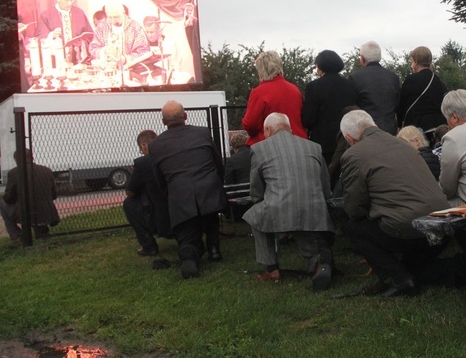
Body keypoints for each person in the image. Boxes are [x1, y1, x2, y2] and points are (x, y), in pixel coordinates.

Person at [339, 110, 450, 296]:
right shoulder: (403, 143)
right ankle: (463, 270)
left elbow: (354, 208)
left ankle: (399, 280)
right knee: (415, 268)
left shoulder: (354, 154)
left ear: (350, 139)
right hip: (442, 226)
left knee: (352, 228)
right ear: (373, 124)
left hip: (409, 228)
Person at [242, 113, 335, 290]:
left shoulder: (259, 149)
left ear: (268, 130)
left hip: (278, 207)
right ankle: (319, 261)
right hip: (314, 208)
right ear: (290, 128)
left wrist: (261, 201)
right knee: (307, 232)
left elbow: (256, 190)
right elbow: (325, 185)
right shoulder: (314, 147)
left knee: (255, 215)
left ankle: (272, 268)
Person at [149, 101, 227, 279]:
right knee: (211, 218)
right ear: (185, 116)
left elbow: (158, 177)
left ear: (163, 121)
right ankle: (214, 248)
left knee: (187, 232)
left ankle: (188, 252)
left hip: (180, 194)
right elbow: (217, 162)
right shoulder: (202, 133)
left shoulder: (156, 145)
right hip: (208, 188)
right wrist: (218, 182)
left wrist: (169, 193)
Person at [301, 50, 358, 165]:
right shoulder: (350, 85)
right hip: (347, 140)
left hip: (323, 143)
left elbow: (308, 120)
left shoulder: (314, 87)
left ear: (321, 67)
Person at [242, 50, 307, 146]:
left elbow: (250, 124)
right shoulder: (294, 90)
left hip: (269, 144)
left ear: (260, 70)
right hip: (298, 142)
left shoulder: (259, 92)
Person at [123, 130, 172, 256]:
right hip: (178, 204)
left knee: (129, 203)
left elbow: (130, 192)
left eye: (141, 149)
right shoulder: (170, 156)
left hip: (159, 212)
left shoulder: (142, 163)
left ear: (144, 146)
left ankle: (149, 245)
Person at [0, 149, 60, 243]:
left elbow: (9, 198)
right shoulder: (46, 170)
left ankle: (16, 236)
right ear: (32, 157)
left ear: (16, 160)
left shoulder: (14, 173)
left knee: (2, 204)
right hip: (47, 211)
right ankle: (42, 231)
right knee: (38, 203)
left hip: (26, 212)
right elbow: (54, 195)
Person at [348, 41, 401, 135]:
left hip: (366, 131)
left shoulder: (355, 78)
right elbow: (398, 105)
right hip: (390, 130)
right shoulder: (393, 77)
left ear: (362, 59)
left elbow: (352, 106)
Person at [35, 0, 93, 65]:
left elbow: (90, 36)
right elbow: (39, 39)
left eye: (71, 0)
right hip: (56, 62)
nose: (69, 3)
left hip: (77, 60)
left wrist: (82, 43)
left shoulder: (79, 13)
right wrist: (51, 35)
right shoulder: (46, 15)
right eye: (66, 0)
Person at [396, 46, 447, 131]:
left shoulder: (411, 80)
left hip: (416, 125)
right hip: (437, 125)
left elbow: (402, 104)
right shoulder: (437, 80)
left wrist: (399, 123)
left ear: (415, 62)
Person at [89, 3, 150, 68]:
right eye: (110, 17)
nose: (113, 21)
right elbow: (93, 48)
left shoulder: (135, 28)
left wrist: (124, 59)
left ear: (123, 13)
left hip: (129, 69)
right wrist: (104, 51)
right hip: (107, 70)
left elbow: (143, 52)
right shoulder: (101, 28)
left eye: (116, 17)